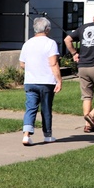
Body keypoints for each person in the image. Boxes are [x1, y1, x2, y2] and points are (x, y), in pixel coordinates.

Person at [19, 17, 62, 146]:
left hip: (30, 81)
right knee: (46, 108)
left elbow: (22, 63)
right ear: (47, 29)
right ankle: (47, 135)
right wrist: (59, 80)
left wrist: (33, 68)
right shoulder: (50, 43)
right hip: (46, 81)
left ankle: (26, 134)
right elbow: (53, 63)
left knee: (30, 108)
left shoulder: (27, 43)